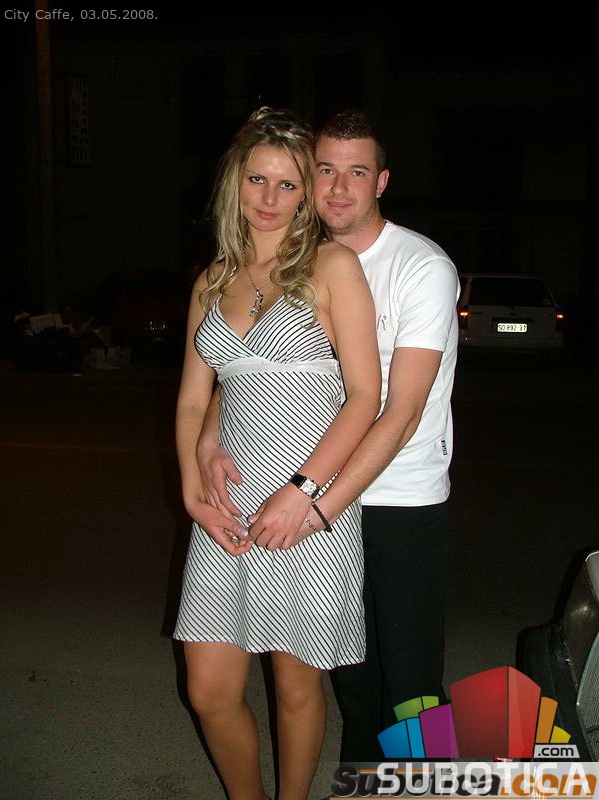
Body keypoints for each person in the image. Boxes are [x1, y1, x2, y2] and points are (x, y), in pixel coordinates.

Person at [198, 110, 460, 763]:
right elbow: (250, 365)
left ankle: (429, 784)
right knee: (351, 679)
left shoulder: (420, 265)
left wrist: (316, 505)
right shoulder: (295, 259)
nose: (339, 188)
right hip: (321, 492)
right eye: (325, 170)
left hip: (396, 496)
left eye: (358, 172)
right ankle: (362, 783)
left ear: (382, 182)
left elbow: (399, 410)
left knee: (412, 685)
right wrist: (210, 432)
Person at [173, 107, 381, 800]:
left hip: (308, 507)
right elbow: (194, 401)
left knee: (296, 685)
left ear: (305, 195)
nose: (269, 198)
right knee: (209, 689)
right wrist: (192, 485)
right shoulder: (211, 279)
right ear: (234, 182)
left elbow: (365, 398)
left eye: (288, 184)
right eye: (256, 180)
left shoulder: (332, 266)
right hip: (229, 506)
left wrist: (305, 492)